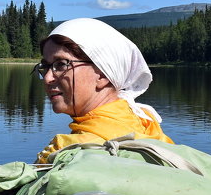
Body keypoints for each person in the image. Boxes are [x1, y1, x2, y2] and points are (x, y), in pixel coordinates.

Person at [34, 17, 173, 163]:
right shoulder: (145, 125)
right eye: (45, 67)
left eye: (61, 64)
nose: (48, 78)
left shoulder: (67, 152)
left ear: (102, 75)